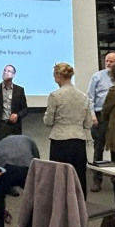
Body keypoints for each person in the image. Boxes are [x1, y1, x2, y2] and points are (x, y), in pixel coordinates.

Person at [43, 62, 93, 198]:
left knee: (60, 178)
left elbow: (48, 122)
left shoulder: (55, 95)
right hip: (78, 142)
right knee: (79, 177)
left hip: (60, 142)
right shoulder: (83, 96)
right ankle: (81, 208)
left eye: (54, 76)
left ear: (59, 76)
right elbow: (88, 123)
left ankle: (60, 208)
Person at [87, 52, 115, 192]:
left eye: (111, 61)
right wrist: (92, 115)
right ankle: (97, 180)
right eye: (107, 61)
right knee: (98, 148)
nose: (108, 63)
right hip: (100, 116)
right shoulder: (97, 76)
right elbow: (90, 98)